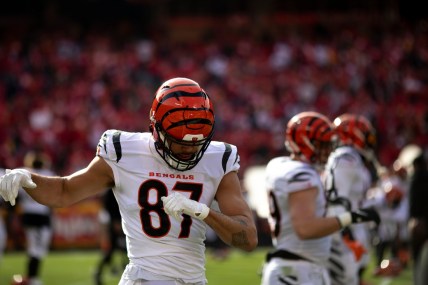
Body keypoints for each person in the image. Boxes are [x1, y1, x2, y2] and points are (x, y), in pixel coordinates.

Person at [0, 77, 258, 285]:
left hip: (194, 279)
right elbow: (65, 192)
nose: (188, 151)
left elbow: (247, 239)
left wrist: (203, 212)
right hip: (144, 279)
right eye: (178, 143)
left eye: (197, 144)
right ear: (155, 129)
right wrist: (27, 178)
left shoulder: (218, 158)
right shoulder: (125, 152)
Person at [260, 111, 380, 285]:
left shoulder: (279, 166)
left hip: (297, 267)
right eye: (322, 145)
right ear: (304, 141)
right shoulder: (302, 175)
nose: (328, 151)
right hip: (297, 271)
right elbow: (305, 229)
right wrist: (351, 217)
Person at [323, 114, 380, 285]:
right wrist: (347, 238)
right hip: (343, 235)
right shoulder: (346, 157)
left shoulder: (352, 159)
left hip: (351, 231)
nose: (370, 142)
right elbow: (337, 202)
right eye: (367, 136)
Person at [9, 151, 56, 285]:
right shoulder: (48, 174)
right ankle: (32, 278)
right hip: (41, 214)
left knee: (35, 248)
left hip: (28, 214)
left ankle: (31, 277)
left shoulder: (23, 173)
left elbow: (15, 195)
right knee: (37, 249)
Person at [94, 189, 127, 285]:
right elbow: (109, 207)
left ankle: (122, 270)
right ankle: (98, 273)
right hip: (115, 225)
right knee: (110, 252)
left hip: (123, 224)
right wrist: (115, 221)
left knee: (125, 251)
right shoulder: (111, 190)